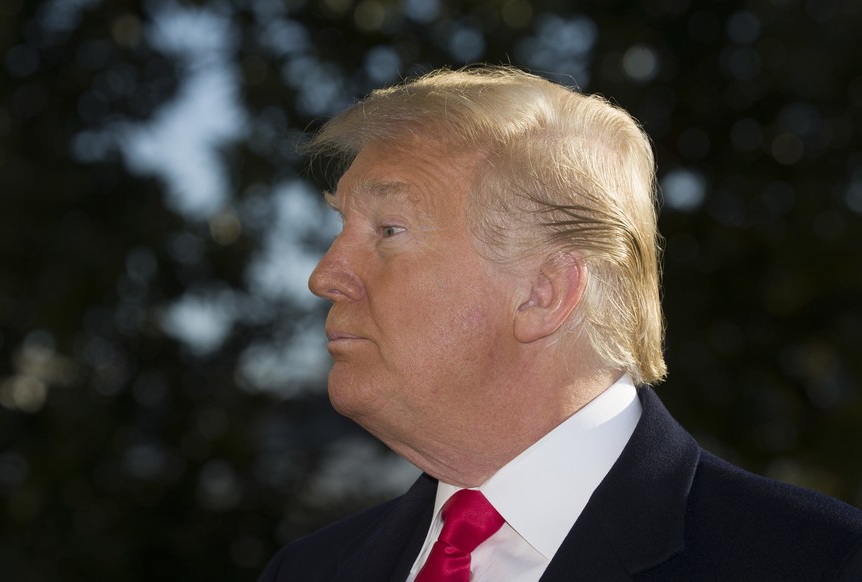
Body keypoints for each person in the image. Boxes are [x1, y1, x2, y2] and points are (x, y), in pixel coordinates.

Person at [258, 66, 862, 581]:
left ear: (543, 293)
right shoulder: (310, 569)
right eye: (341, 228)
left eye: (388, 231)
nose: (325, 275)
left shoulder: (821, 562)